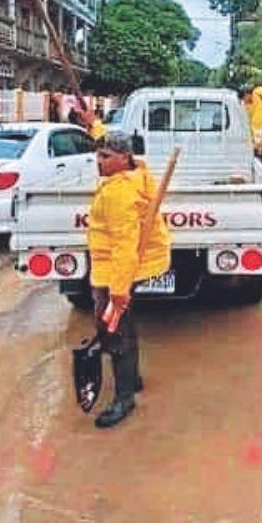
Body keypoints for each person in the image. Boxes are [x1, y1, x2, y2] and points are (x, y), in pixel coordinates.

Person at [86, 131, 171, 429]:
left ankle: (124, 399)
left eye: (106, 156)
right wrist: (94, 126)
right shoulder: (136, 175)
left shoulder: (119, 192)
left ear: (125, 158)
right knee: (122, 324)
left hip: (115, 269)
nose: (99, 161)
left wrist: (118, 291)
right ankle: (131, 380)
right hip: (118, 265)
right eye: (98, 155)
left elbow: (124, 245)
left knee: (113, 329)